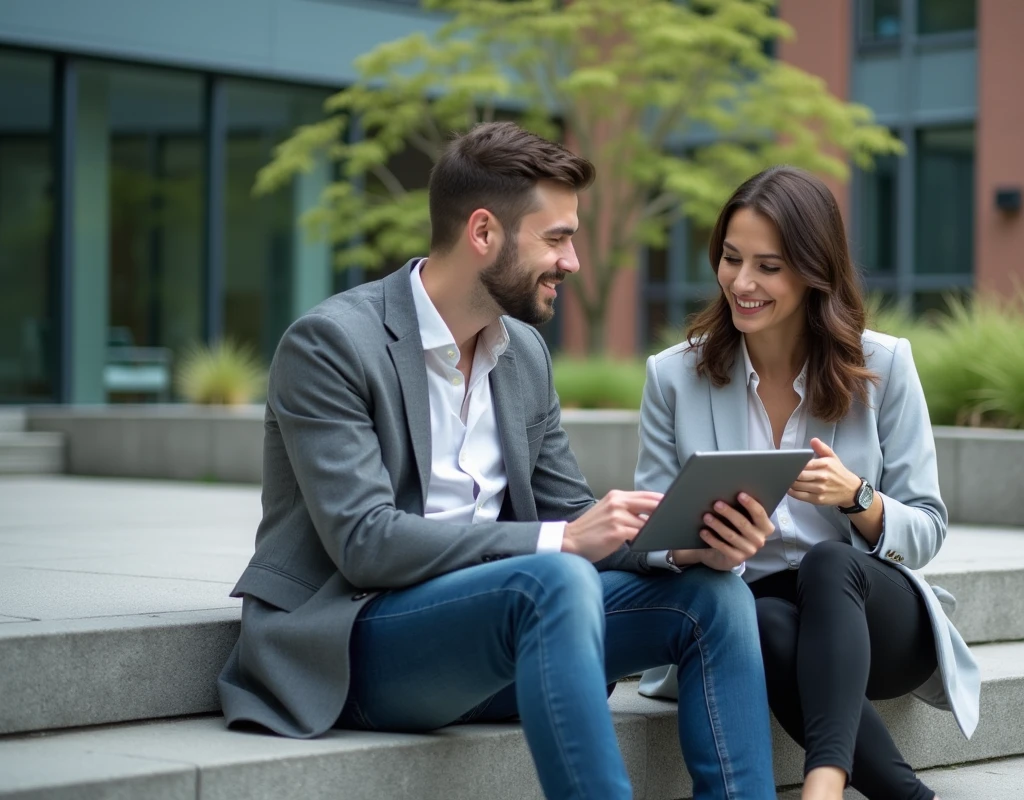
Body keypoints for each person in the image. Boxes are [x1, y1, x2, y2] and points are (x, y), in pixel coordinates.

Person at [216, 121, 778, 800]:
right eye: (557, 238)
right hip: (358, 643)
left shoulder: (523, 354)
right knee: (554, 578)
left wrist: (684, 547)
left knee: (713, 597)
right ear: (483, 233)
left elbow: (571, 513)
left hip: (497, 639)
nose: (572, 261)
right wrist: (563, 540)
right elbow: (365, 543)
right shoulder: (332, 345)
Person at [635, 166, 980, 800]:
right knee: (759, 622)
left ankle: (823, 787)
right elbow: (647, 531)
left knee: (826, 563)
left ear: (813, 270)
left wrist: (859, 498)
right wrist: (697, 547)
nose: (742, 282)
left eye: (768, 266)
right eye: (731, 259)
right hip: (760, 614)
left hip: (872, 621)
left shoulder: (884, 365)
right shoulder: (673, 377)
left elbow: (928, 527)